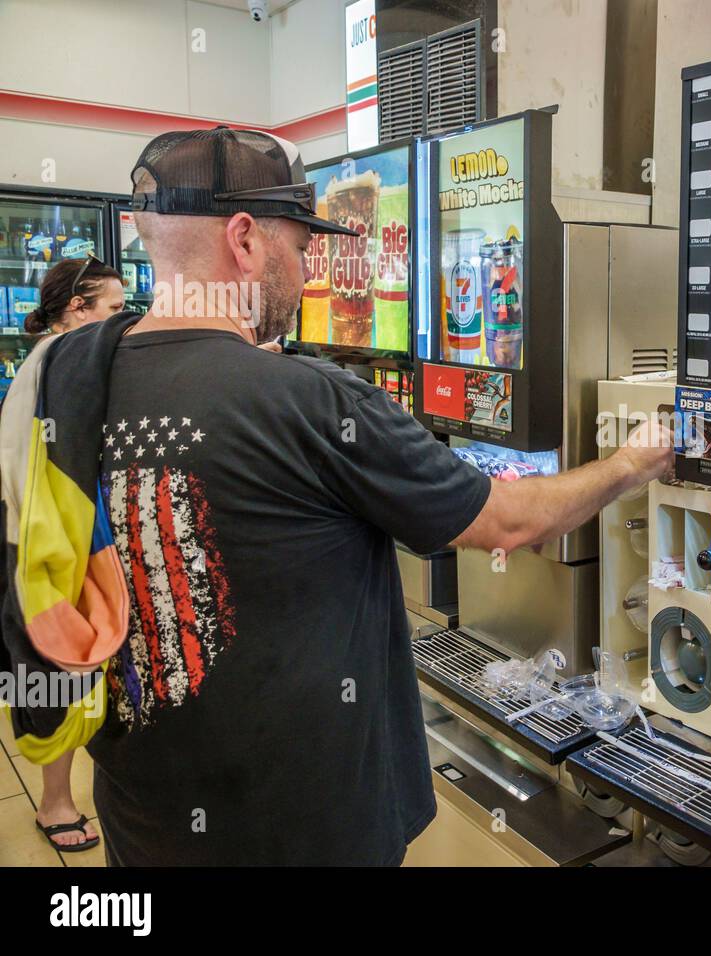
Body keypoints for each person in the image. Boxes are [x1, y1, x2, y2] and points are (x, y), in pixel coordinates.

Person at [51, 128, 672, 865]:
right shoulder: (311, 402)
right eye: (300, 245)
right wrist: (631, 465)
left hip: (143, 821)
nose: (311, 269)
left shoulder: (71, 378)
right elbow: (508, 522)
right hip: (304, 832)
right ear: (245, 240)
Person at [18, 256, 125, 853]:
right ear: (76, 310)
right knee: (59, 667)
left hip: (63, 534)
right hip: (53, 541)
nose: (121, 320)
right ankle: (54, 800)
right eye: (111, 308)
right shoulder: (53, 364)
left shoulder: (63, 358)